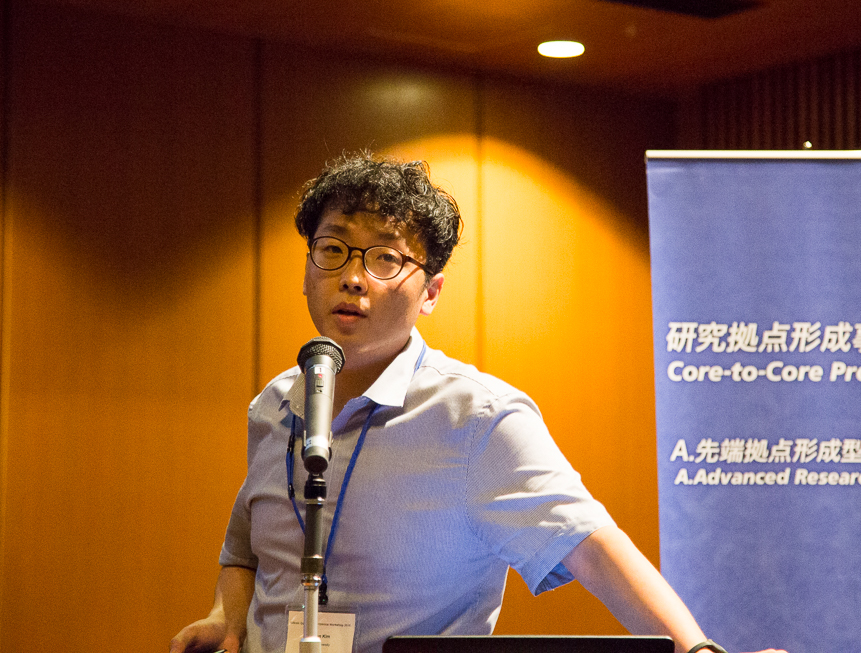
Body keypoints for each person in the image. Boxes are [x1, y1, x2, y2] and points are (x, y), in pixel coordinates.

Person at [170, 153, 785, 653]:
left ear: (431, 291)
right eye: (333, 249)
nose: (353, 277)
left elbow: (594, 547)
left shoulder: (477, 419)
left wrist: (698, 650)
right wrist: (226, 617)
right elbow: (248, 545)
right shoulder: (274, 406)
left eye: (385, 258)